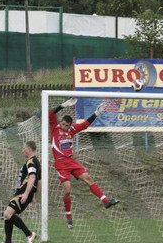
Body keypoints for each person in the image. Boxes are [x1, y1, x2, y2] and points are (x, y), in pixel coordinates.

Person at [49, 98, 119, 229]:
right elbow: (51, 114)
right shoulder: (55, 128)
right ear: (61, 122)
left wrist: (97, 113)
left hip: (71, 161)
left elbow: (85, 124)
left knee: (88, 178)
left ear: (70, 125)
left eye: (66, 125)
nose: (64, 127)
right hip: (60, 163)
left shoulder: (72, 130)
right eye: (63, 124)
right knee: (67, 190)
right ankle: (68, 216)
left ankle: (105, 201)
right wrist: (62, 106)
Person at [0, 141, 40, 243]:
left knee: (7, 214)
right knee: (8, 215)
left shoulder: (31, 161)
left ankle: (29, 234)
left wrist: (26, 194)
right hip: (24, 192)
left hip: (23, 192)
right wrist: (34, 197)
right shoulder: (36, 162)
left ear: (29, 149)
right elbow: (38, 181)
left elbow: (33, 177)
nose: (22, 151)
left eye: (24, 148)